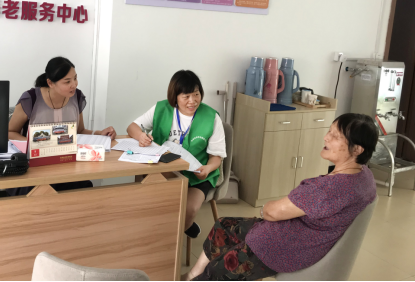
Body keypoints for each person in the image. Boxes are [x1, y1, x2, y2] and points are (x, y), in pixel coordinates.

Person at [183, 113, 378, 281]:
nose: (326, 137)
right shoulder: (364, 176)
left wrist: (264, 210)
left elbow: (272, 212)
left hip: (282, 248)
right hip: (295, 236)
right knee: (224, 225)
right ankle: (193, 275)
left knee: (215, 272)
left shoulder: (329, 189)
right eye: (329, 131)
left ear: (357, 149)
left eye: (335, 136)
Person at [128, 70, 226, 239]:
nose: (192, 101)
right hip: (165, 169)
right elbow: (132, 127)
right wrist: (141, 136)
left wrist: (208, 168)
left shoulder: (211, 117)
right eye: (186, 96)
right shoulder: (161, 108)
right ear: (175, 96)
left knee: (190, 209)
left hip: (197, 175)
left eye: (196, 94)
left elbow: (216, 157)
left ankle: (172, 237)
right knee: (154, 203)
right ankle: (159, 235)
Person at [7, 57, 117, 195]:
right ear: (50, 83)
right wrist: (35, 144)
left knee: (83, 189)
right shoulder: (31, 99)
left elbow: (80, 131)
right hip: (35, 166)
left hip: (66, 164)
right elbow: (10, 132)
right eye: (67, 81)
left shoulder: (77, 97)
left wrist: (99, 133)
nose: (74, 84)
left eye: (75, 78)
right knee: (40, 193)